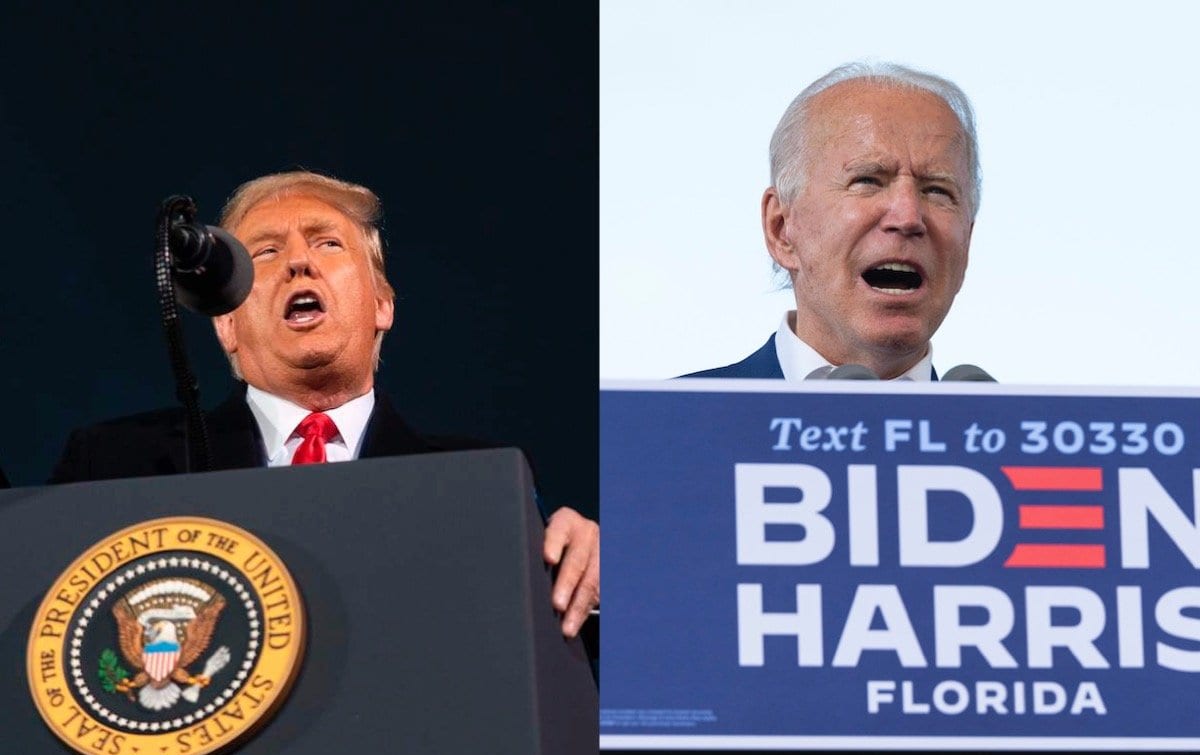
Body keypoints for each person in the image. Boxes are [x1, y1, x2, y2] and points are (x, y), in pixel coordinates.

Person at [51, 171, 599, 639]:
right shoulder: (115, 466)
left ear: (382, 305)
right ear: (226, 324)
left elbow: (552, 668)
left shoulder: (481, 485)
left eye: (327, 243)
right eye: (265, 252)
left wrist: (596, 576)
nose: (298, 264)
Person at [689, 61, 979, 381]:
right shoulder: (663, 424)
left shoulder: (1011, 430)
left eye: (937, 191)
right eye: (867, 181)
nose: (908, 217)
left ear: (966, 241)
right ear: (781, 229)